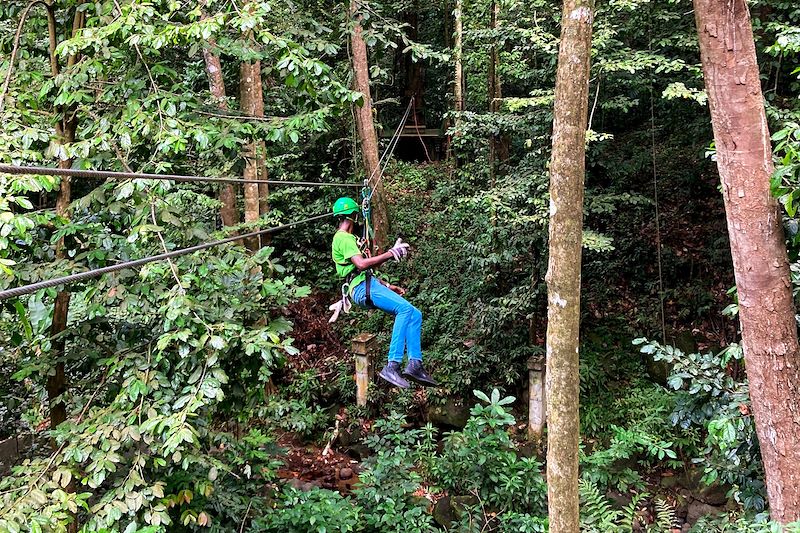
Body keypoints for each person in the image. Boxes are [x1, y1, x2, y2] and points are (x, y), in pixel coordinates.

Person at [330, 197, 437, 388]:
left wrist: (387, 286)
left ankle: (415, 364)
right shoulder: (343, 238)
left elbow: (363, 270)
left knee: (415, 314)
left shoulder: (346, 239)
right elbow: (361, 265)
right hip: (361, 288)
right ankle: (392, 366)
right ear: (354, 216)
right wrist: (390, 253)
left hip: (368, 285)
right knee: (404, 310)